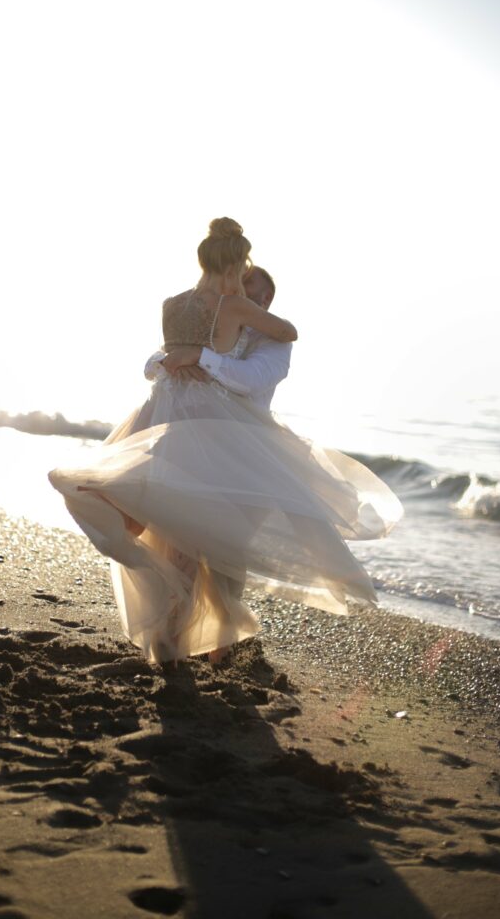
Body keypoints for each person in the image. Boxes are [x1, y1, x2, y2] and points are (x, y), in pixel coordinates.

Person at [48, 217, 404, 666]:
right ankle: (182, 637)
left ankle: (203, 639)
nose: (246, 290)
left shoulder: (174, 303)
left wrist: (196, 355)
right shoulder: (235, 309)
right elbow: (285, 330)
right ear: (235, 267)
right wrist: (187, 353)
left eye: (257, 291)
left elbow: (238, 370)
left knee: (202, 544)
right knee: (186, 539)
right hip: (210, 430)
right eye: (244, 276)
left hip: (176, 422)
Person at [143, 265, 291, 412]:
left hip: (237, 431)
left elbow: (252, 380)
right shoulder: (210, 321)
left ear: (266, 298)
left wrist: (199, 356)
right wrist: (171, 360)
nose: (235, 285)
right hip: (175, 422)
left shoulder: (274, 337)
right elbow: (152, 365)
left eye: (246, 281)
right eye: (232, 278)